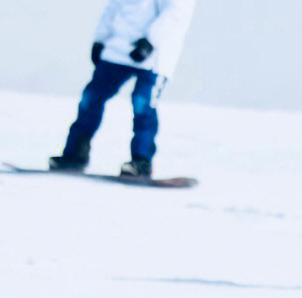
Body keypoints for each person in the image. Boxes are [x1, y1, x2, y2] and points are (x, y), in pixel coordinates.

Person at [49, 0, 195, 178]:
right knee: (92, 97)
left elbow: (175, 13)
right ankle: (75, 155)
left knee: (143, 102)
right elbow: (113, 7)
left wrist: (151, 41)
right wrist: (100, 39)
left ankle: (141, 162)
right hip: (118, 47)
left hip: (154, 53)